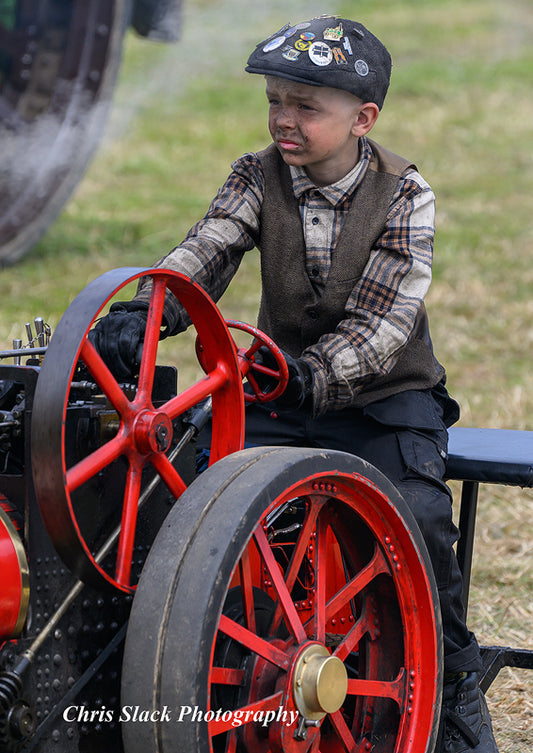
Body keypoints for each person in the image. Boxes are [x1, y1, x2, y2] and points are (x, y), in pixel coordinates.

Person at [90, 15, 499, 753]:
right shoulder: (256, 176)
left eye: (306, 107)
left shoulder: (403, 193)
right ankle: (195, 659)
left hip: (380, 401)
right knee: (189, 490)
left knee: (418, 518)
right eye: (276, 100)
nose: (284, 118)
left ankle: (455, 677)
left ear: (361, 119)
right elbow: (206, 250)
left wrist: (312, 374)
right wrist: (149, 309)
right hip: (282, 396)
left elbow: (380, 327)